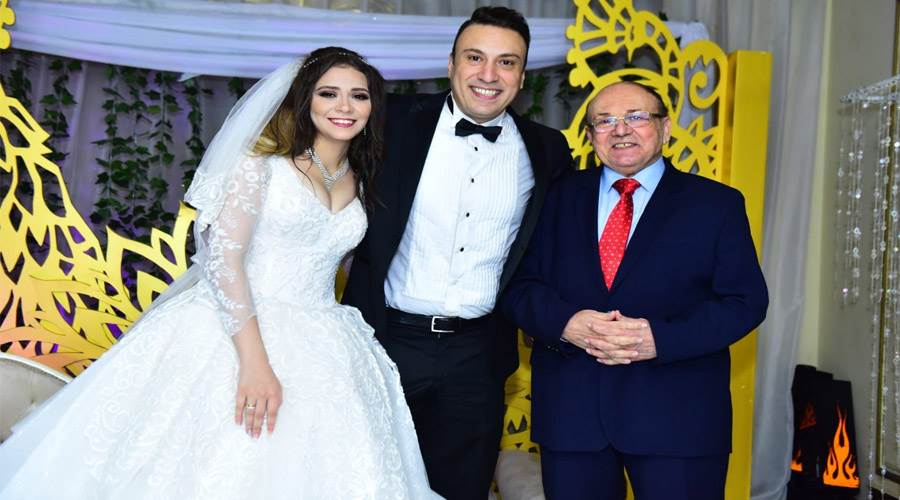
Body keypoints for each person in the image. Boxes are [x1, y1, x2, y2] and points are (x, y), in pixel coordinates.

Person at [0, 47, 440, 500]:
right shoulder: (262, 166)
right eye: (329, 93)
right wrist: (254, 363)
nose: (344, 106)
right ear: (305, 98)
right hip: (234, 331)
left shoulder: (361, 177)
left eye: (358, 96)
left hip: (327, 337)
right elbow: (224, 261)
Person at [499, 80, 769, 500]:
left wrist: (659, 339)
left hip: (679, 418)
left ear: (665, 128)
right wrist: (565, 323)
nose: (620, 130)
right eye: (605, 121)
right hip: (573, 417)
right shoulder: (552, 198)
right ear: (590, 135)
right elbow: (517, 285)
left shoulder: (716, 204)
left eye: (636, 117)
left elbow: (745, 303)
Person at [342, 6, 570, 500]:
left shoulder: (547, 150)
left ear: (522, 76)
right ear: (451, 64)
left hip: (478, 358)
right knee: (368, 485)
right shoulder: (388, 121)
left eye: (506, 62)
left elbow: (556, 250)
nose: (489, 74)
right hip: (384, 342)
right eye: (475, 57)